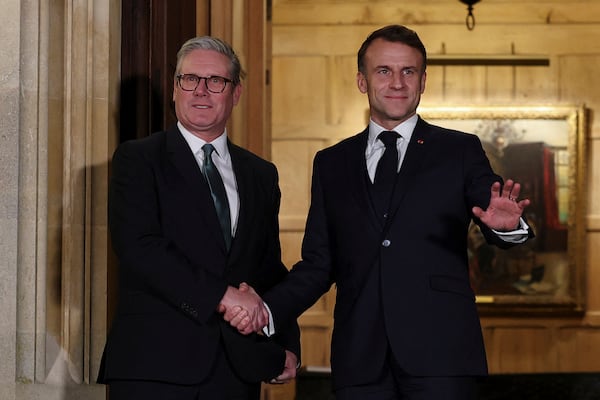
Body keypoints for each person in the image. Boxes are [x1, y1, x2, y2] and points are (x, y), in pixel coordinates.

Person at [223, 25, 534, 400]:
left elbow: (495, 210)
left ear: (423, 81)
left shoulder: (460, 151)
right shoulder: (331, 163)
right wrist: (268, 310)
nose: (397, 82)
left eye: (409, 72)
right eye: (383, 71)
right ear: (362, 80)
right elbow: (319, 264)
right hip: (360, 359)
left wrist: (508, 226)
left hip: (442, 359)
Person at [97, 36, 300, 400]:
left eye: (216, 81)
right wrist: (223, 297)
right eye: (189, 79)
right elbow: (140, 248)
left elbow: (268, 266)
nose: (201, 91)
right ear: (176, 89)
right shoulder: (138, 159)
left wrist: (285, 339)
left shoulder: (261, 174)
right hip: (155, 367)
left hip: (236, 369)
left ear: (235, 93)